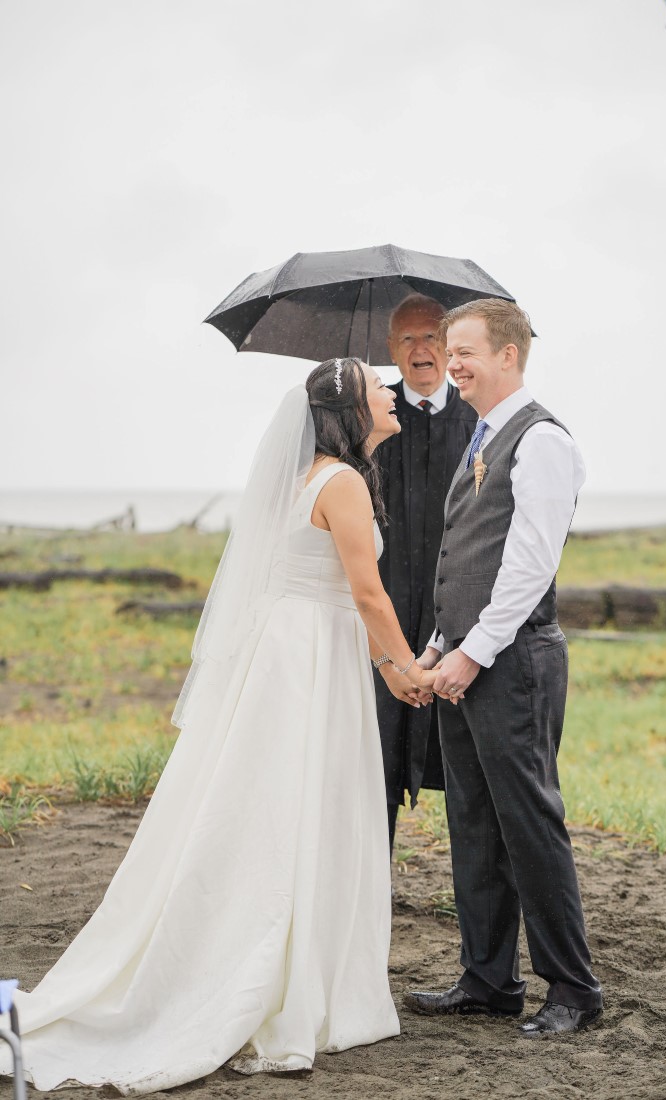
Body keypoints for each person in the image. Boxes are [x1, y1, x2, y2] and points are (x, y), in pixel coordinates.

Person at [0, 359, 437, 1094]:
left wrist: (388, 668)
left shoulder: (308, 480)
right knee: (297, 807)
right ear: (350, 410)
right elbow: (364, 591)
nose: (392, 394)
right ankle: (274, 979)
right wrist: (409, 668)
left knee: (267, 803)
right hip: (308, 662)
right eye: (378, 387)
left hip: (290, 651)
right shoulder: (346, 483)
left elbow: (326, 589)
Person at [404, 299, 603, 1036]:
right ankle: (488, 980)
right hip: (467, 651)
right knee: (474, 822)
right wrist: (436, 642)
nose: (449, 363)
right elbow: (470, 555)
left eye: (463, 351)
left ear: (508, 355)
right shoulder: (482, 435)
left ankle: (574, 990)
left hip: (513, 660)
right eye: (446, 351)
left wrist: (473, 653)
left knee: (528, 823)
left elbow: (527, 565)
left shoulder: (541, 439)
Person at [374, 294, 475, 850]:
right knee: (373, 760)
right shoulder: (370, 417)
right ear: (390, 348)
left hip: (456, 620)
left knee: (468, 771)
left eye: (432, 337)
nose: (421, 350)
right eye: (407, 339)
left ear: (449, 344)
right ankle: (367, 896)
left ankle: (477, 914)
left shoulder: (478, 418)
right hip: (381, 613)